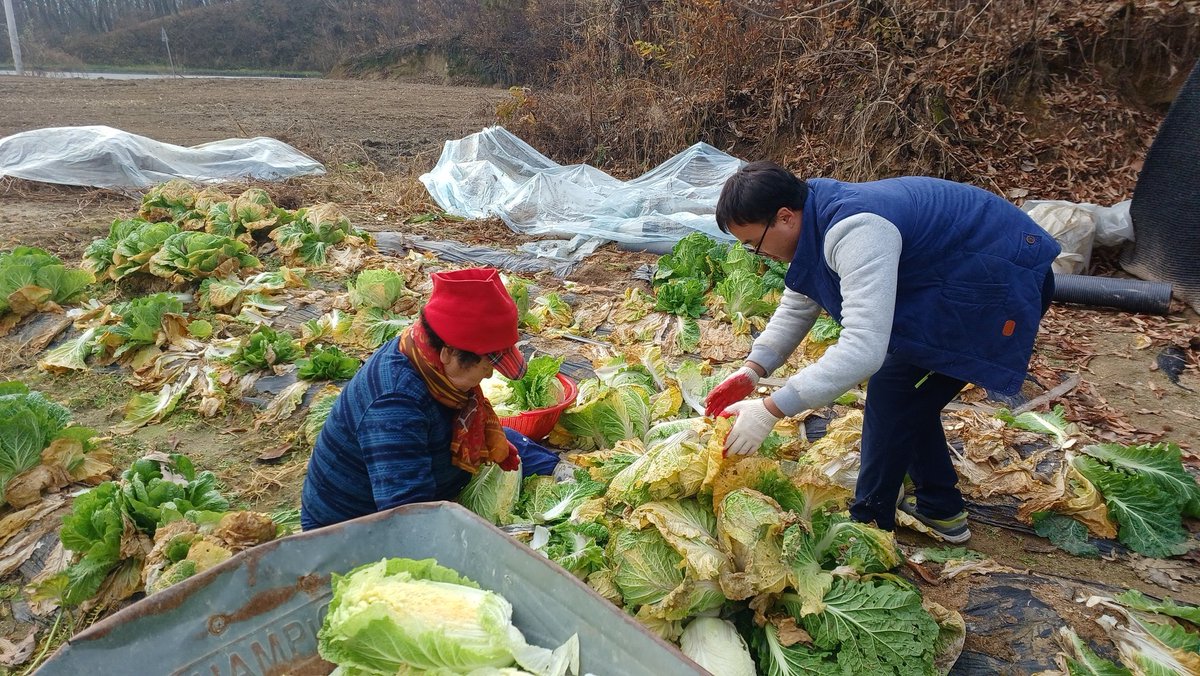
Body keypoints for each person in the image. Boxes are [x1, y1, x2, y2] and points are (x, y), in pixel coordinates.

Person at [705, 162, 1059, 543]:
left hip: (998, 282)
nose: (758, 254)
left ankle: (870, 527)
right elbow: (799, 303)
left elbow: (862, 350)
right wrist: (753, 369)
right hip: (953, 277)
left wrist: (771, 409)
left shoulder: (857, 230)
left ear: (785, 218)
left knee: (894, 390)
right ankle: (941, 509)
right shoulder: (814, 217)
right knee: (904, 394)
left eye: (753, 244)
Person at [301, 267, 560, 530]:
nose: (491, 373)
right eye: (486, 364)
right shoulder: (394, 406)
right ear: (449, 353)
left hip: (411, 476)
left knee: (507, 440)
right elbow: (410, 516)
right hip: (353, 527)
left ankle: (561, 473)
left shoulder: (423, 351)